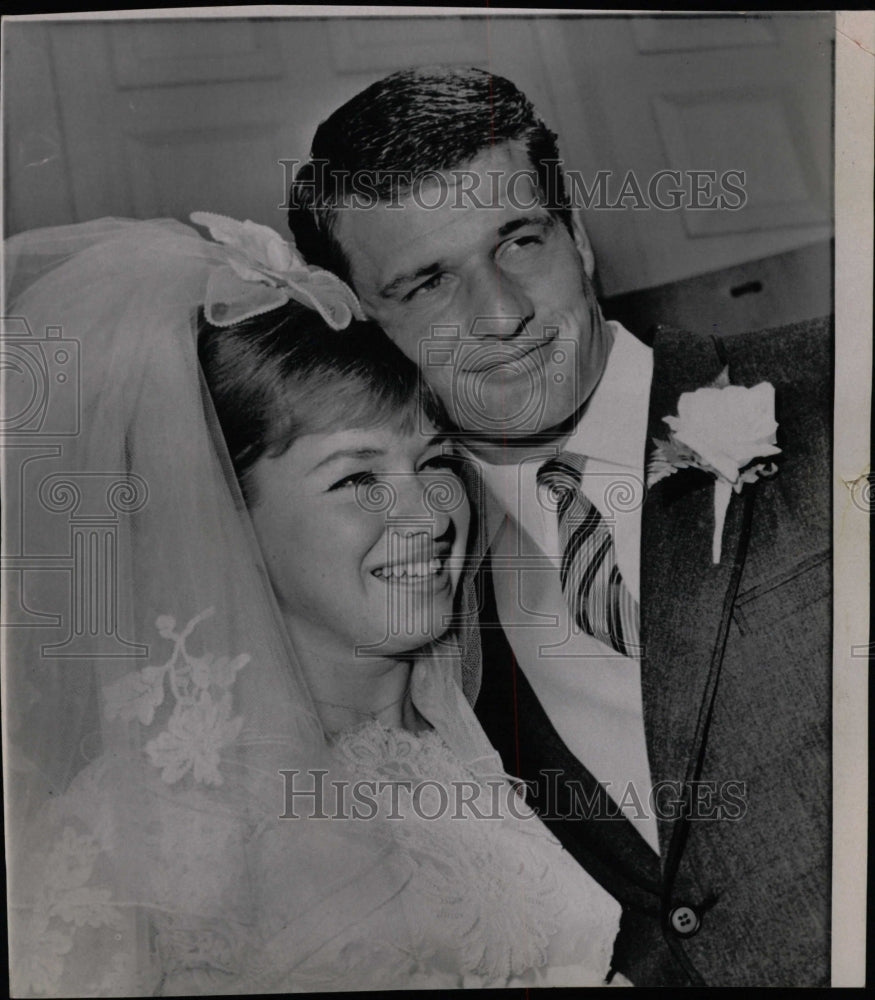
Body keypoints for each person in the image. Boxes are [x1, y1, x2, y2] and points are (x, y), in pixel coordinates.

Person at [286, 65, 832, 986]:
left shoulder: (836, 387)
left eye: (519, 241)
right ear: (361, 328)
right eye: (425, 284)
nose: (499, 315)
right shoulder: (407, 597)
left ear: (577, 238)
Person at [2, 213, 625, 994]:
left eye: (432, 461)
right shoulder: (146, 831)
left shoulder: (461, 732)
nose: (433, 517)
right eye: (356, 478)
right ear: (225, 518)